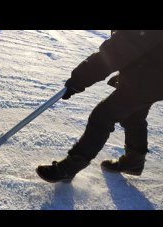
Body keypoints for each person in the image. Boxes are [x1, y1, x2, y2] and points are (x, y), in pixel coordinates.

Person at [36, 30, 163, 183]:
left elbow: (115, 53)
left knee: (103, 115)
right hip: (151, 78)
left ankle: (69, 168)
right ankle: (133, 162)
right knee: (134, 116)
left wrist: (79, 80)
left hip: (149, 80)